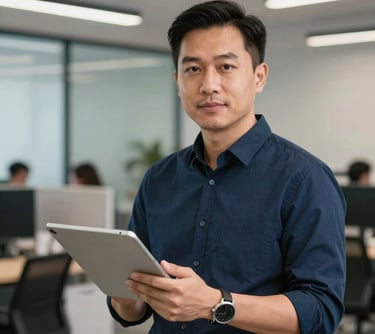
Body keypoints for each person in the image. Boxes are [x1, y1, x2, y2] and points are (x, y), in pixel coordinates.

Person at [107, 1, 346, 333]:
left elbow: (320, 311)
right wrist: (124, 295)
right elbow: (136, 310)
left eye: (226, 67)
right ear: (177, 80)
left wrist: (214, 303)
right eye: (193, 69)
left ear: (258, 77)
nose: (208, 85)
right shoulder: (159, 179)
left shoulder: (305, 179)